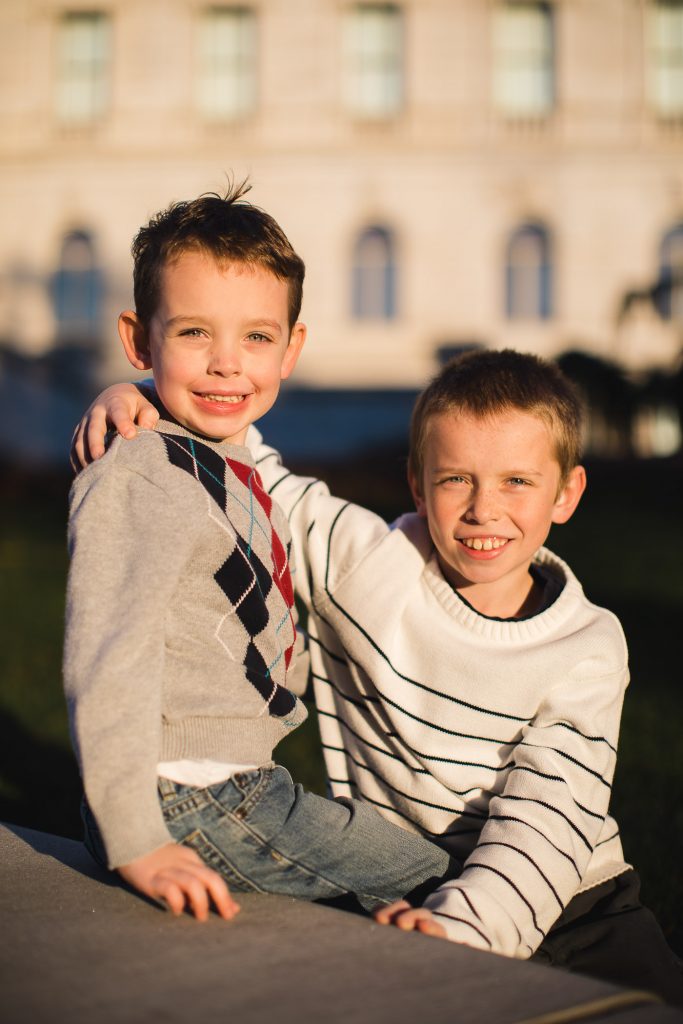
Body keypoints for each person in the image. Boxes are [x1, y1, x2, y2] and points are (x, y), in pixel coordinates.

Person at [73, 345, 683, 1002]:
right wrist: (142, 400)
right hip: (412, 885)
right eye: (455, 480)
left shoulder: (585, 646)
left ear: (565, 493)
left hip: (576, 904)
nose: (483, 509)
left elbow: (547, 818)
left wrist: (466, 925)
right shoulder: (370, 565)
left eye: (516, 482)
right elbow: (258, 474)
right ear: (417, 484)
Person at [63, 183, 461, 925]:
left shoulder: (221, 455)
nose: (225, 364)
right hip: (187, 794)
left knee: (411, 867)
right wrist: (134, 839)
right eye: (192, 334)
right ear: (139, 340)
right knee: (443, 876)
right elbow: (105, 657)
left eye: (255, 337)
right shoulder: (140, 475)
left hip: (235, 782)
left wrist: (132, 390)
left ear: (290, 349)